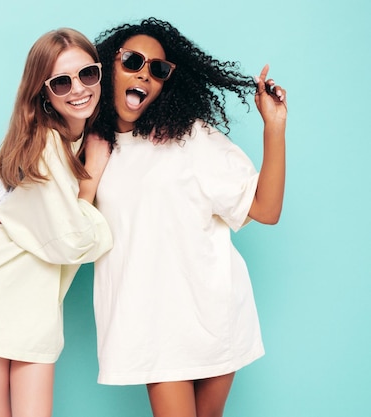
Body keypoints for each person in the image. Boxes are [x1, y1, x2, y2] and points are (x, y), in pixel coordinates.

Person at [88, 17, 287, 417]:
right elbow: (58, 210)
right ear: (108, 66)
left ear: (166, 83)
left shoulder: (191, 137)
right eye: (132, 61)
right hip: (152, 324)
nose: (144, 73)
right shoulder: (92, 147)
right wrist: (4, 203)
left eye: (158, 69)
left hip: (213, 314)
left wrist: (275, 127)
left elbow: (266, 210)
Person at [0, 28, 113, 417]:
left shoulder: (78, 136)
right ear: (44, 92)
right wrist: (90, 181)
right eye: (61, 82)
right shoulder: (45, 145)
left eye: (88, 74)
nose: (78, 89)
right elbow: (71, 241)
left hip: (35, 310)